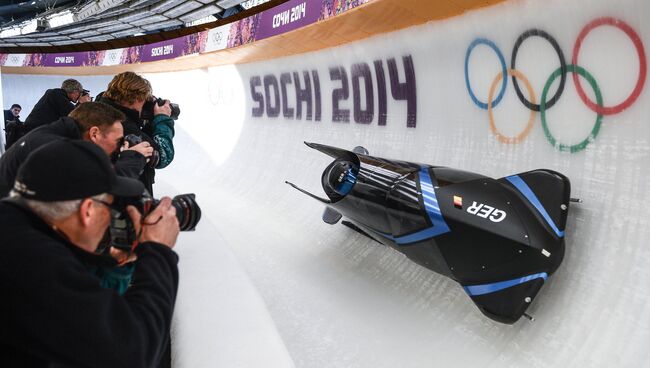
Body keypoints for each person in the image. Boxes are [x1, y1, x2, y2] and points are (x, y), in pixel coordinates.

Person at [0, 139, 180, 367]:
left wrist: (117, 260)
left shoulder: (18, 227)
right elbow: (132, 353)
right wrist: (158, 249)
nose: (113, 220)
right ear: (88, 211)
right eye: (111, 208)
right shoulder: (31, 263)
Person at [0, 102, 154, 197]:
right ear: (94, 133)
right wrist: (133, 158)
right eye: (118, 141)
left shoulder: (50, 134)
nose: (119, 147)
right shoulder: (55, 147)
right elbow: (102, 189)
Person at [98, 71, 176, 195]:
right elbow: (163, 155)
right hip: (127, 195)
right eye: (144, 100)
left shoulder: (98, 109)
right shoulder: (121, 124)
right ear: (138, 98)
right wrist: (162, 119)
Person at [24, 78, 92, 132]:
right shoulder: (56, 94)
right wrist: (81, 102)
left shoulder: (56, 95)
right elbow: (73, 115)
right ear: (74, 91)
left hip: (37, 131)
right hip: (34, 131)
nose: (79, 96)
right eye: (79, 93)